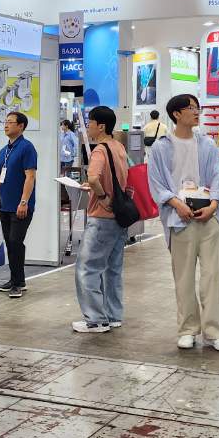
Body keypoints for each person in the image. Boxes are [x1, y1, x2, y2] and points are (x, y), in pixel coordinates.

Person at [147, 94, 219, 353]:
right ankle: (187, 330)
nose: (197, 112)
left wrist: (214, 205)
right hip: (179, 218)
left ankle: (214, 332)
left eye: (198, 108)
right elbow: (156, 183)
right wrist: (177, 204)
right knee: (183, 278)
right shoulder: (161, 147)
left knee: (212, 276)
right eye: (191, 108)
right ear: (176, 114)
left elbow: (218, 176)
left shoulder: (207, 144)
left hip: (209, 217)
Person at [73, 105, 129, 333]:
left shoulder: (99, 150)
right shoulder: (119, 147)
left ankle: (95, 319)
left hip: (102, 217)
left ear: (101, 126)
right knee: (113, 269)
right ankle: (113, 315)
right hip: (120, 216)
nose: (88, 127)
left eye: (91, 123)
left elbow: (94, 177)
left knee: (87, 268)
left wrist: (103, 196)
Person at [0, 112, 37, 298]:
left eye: (10, 122)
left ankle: (19, 282)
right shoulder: (4, 151)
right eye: (5, 122)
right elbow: (1, 177)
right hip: (5, 205)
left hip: (20, 206)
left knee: (15, 242)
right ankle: (15, 280)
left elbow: (30, 176)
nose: (6, 125)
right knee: (9, 243)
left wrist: (24, 201)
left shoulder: (27, 148)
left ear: (21, 126)